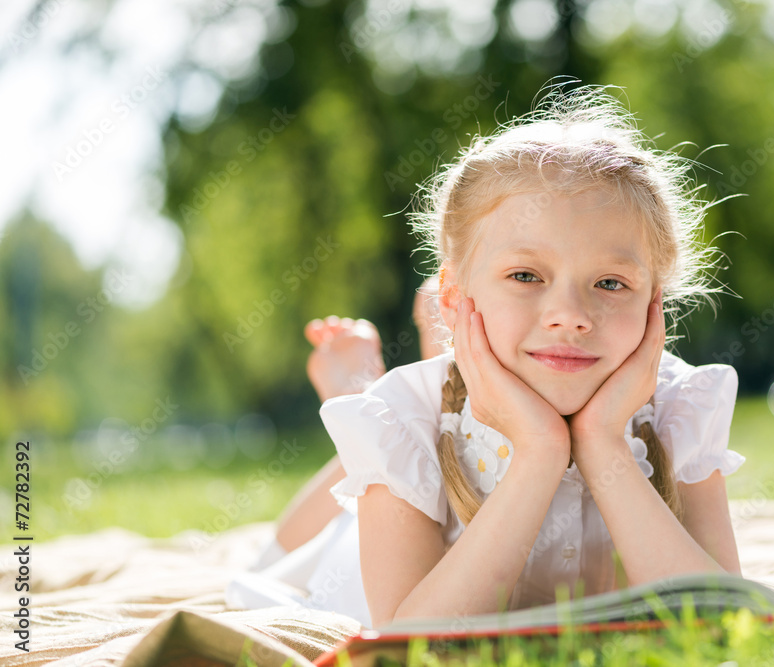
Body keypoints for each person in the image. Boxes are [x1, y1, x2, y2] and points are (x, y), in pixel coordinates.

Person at [225, 86, 744, 628]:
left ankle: (442, 352)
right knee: (294, 552)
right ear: (456, 296)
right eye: (526, 276)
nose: (570, 315)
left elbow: (722, 623)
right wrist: (540, 451)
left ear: (655, 303)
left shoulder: (682, 407)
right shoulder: (403, 423)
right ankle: (358, 399)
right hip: (360, 553)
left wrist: (603, 441)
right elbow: (410, 645)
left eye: (610, 283)